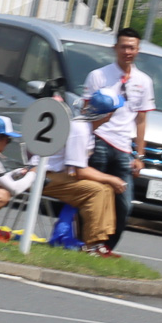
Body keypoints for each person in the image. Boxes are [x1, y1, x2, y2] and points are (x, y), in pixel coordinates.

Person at [81, 27, 156, 249]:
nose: (127, 51)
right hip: (100, 140)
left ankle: (107, 247)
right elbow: (86, 113)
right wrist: (86, 145)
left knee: (124, 202)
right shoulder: (99, 75)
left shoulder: (144, 81)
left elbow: (141, 120)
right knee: (92, 196)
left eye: (132, 47)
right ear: (115, 48)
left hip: (124, 147)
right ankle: (85, 241)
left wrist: (139, 155)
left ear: (138, 50)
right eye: (123, 46)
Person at [36, 89, 124, 258]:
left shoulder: (85, 127)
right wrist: (111, 178)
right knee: (97, 190)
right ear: (108, 115)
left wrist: (109, 181)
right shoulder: (80, 129)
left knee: (105, 189)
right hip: (45, 176)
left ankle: (99, 243)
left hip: (56, 174)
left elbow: (78, 170)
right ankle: (91, 246)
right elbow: (79, 171)